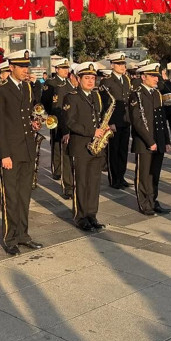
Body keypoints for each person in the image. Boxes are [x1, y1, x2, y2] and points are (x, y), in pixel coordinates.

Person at [0, 50, 43, 255]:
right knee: (10, 196)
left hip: (27, 149)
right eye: (21, 67)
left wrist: (34, 123)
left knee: (24, 195)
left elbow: (26, 115)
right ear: (11, 67)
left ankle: (23, 234)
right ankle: (10, 238)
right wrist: (4, 154)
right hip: (10, 152)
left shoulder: (27, 87)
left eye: (26, 66)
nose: (25, 70)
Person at [62, 62, 108, 231]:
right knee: (81, 183)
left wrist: (104, 129)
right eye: (87, 78)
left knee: (94, 183)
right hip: (81, 146)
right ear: (78, 79)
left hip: (96, 147)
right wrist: (92, 131)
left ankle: (91, 215)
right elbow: (70, 122)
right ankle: (80, 217)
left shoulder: (96, 96)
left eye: (93, 78)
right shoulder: (71, 96)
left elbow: (99, 117)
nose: (90, 81)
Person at [130, 63, 171, 216]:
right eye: (153, 76)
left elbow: (162, 119)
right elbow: (138, 121)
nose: (156, 79)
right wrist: (150, 141)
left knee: (155, 174)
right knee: (144, 174)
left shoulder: (156, 94)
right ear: (143, 77)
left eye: (157, 76)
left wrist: (166, 140)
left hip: (158, 140)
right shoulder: (137, 94)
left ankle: (154, 200)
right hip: (144, 142)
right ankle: (144, 203)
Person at [40, 57, 75, 199]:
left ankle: (63, 171)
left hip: (66, 119)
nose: (66, 71)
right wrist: (51, 115)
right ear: (57, 69)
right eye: (63, 68)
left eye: (67, 68)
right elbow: (46, 101)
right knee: (56, 143)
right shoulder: (51, 83)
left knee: (63, 146)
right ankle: (57, 169)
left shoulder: (69, 84)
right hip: (55, 117)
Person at [99, 52, 132, 189]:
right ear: (112, 65)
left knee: (123, 150)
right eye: (119, 64)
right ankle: (114, 178)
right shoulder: (107, 81)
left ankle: (121, 176)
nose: (122, 66)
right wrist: (109, 122)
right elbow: (105, 104)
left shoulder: (126, 79)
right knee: (114, 150)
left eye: (123, 64)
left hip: (125, 120)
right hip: (114, 121)